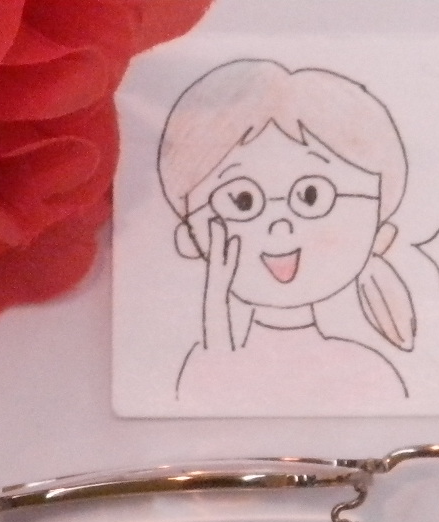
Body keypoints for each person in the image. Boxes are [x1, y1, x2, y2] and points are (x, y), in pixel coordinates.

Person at [158, 59, 416, 407]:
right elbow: (204, 405)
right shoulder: (204, 364)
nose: (280, 224)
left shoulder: (370, 371)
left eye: (311, 195)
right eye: (243, 201)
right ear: (189, 236)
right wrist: (216, 311)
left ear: (378, 232)